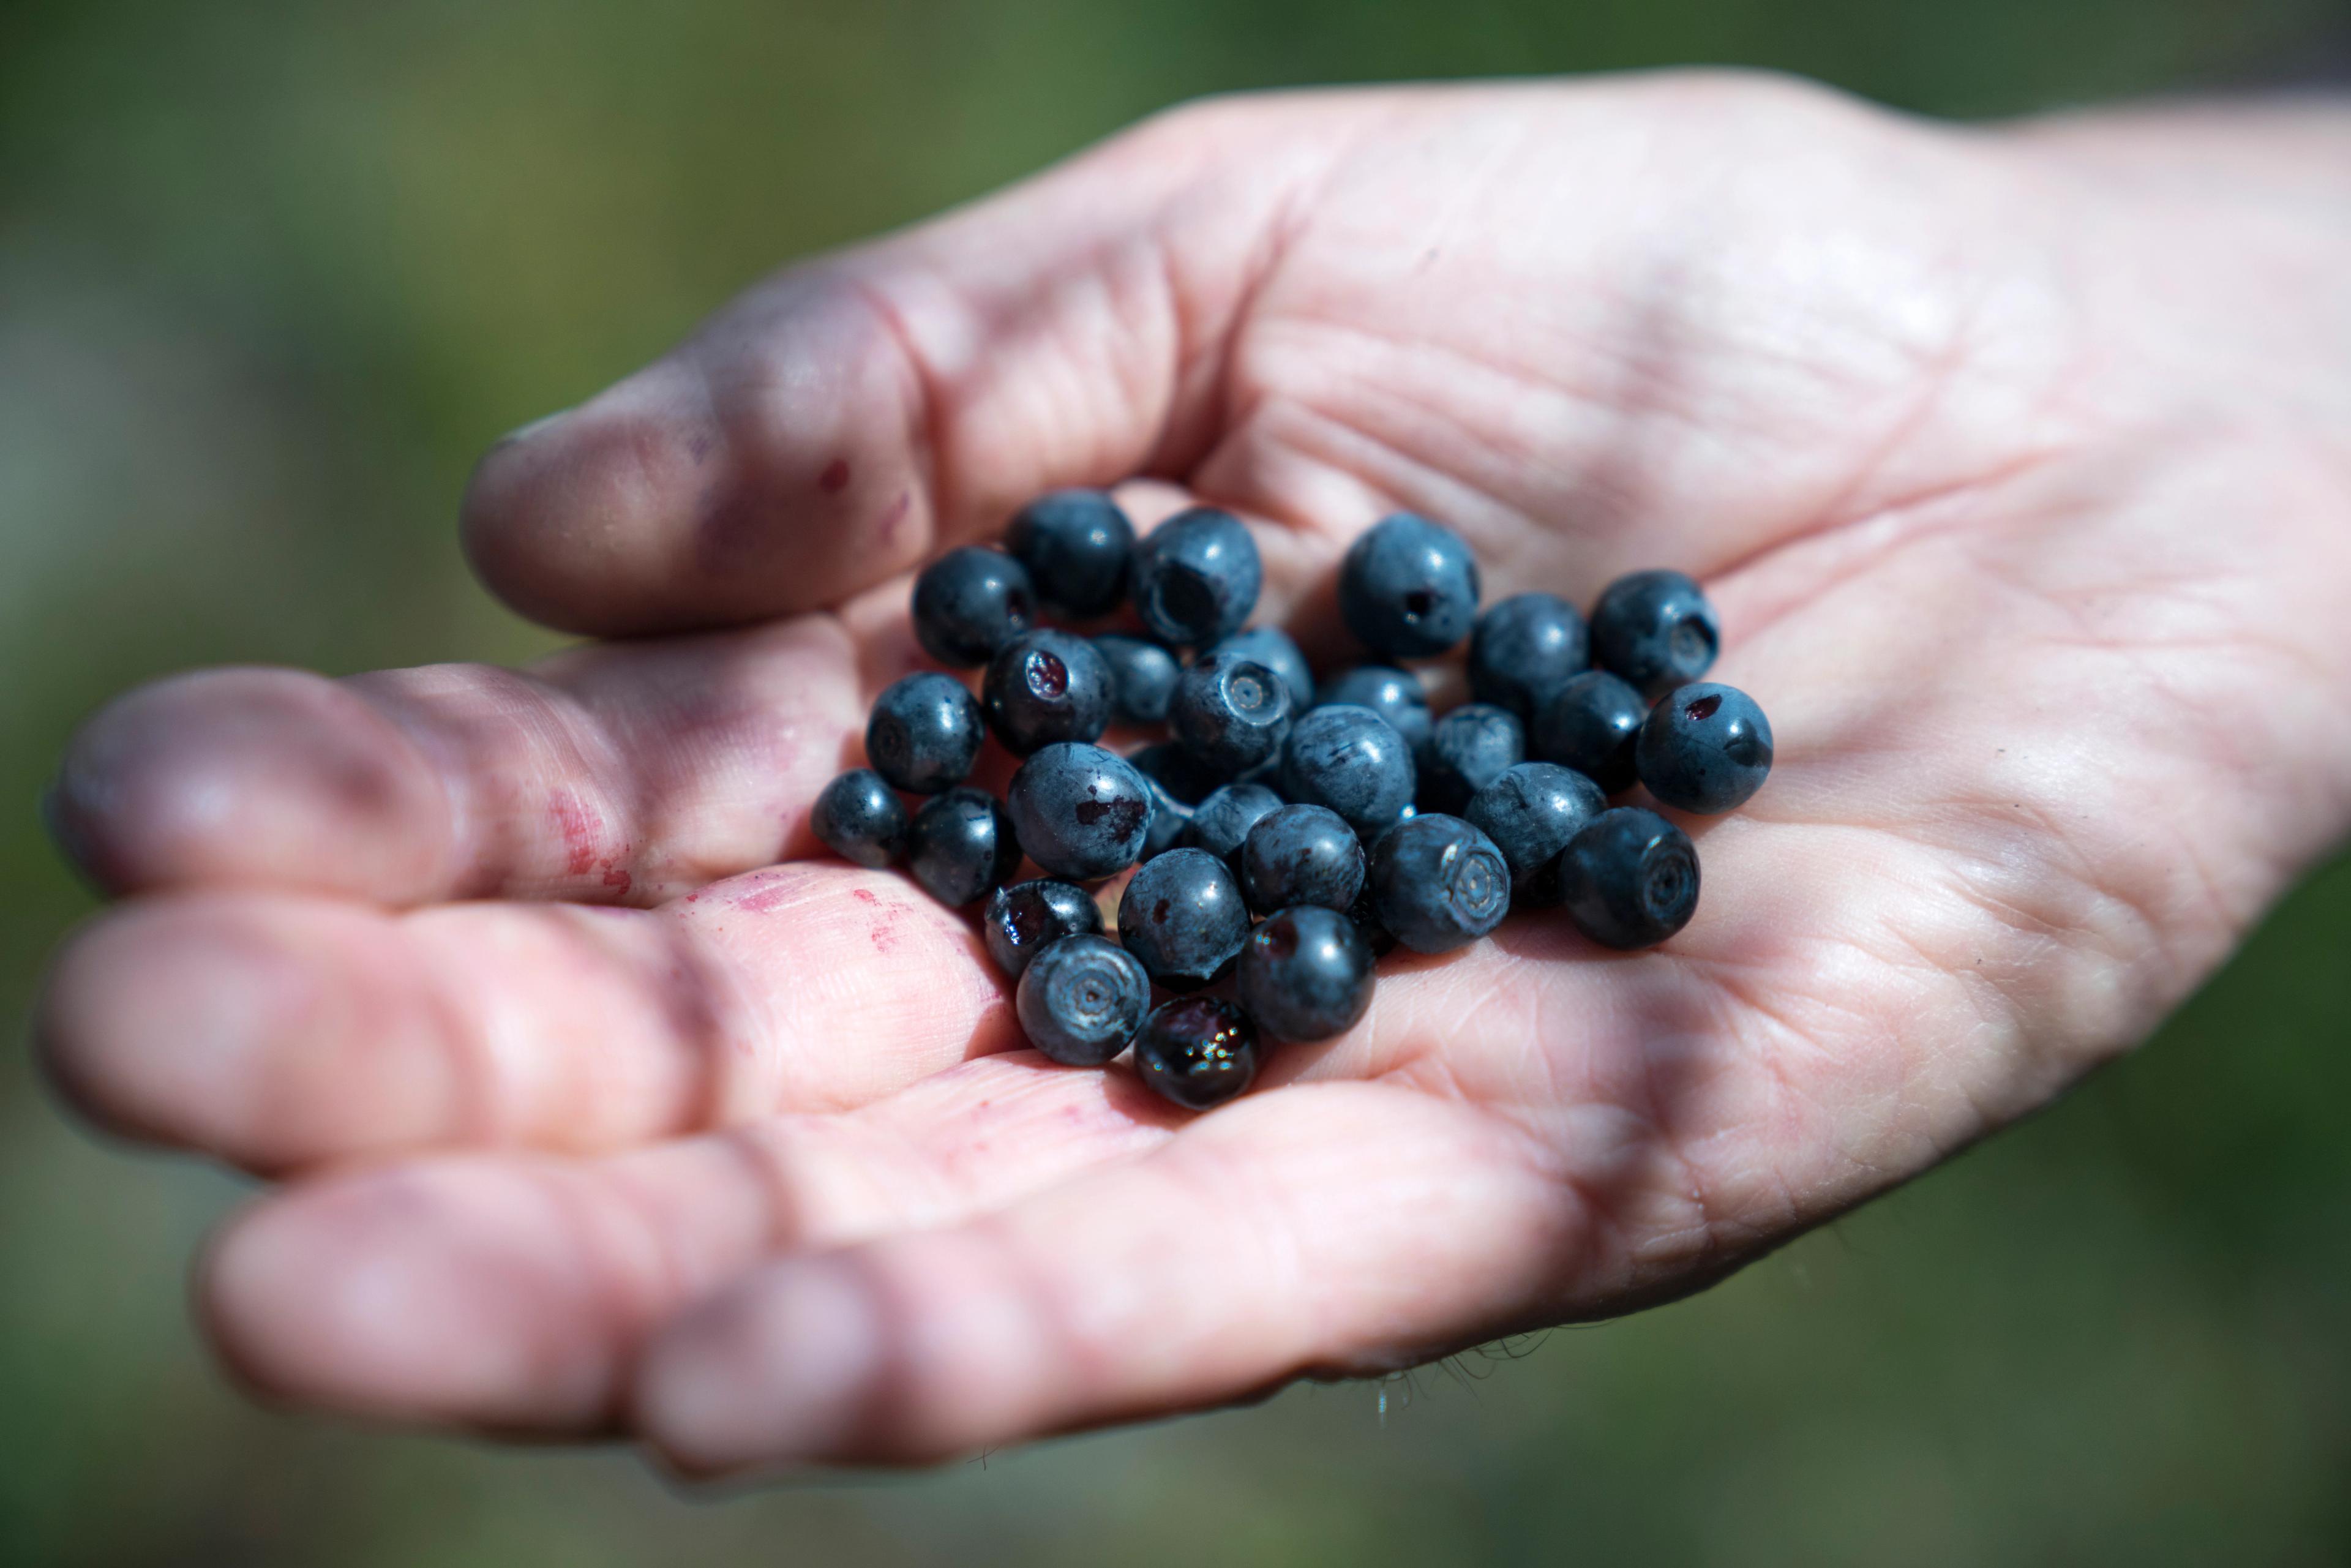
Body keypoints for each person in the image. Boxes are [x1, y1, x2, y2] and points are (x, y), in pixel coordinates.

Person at [31, 72, 2351, 1472]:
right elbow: (1169, 843)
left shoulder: (1401, 778)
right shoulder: (1112, 772)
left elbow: (1304, 850)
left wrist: (2174, 318)